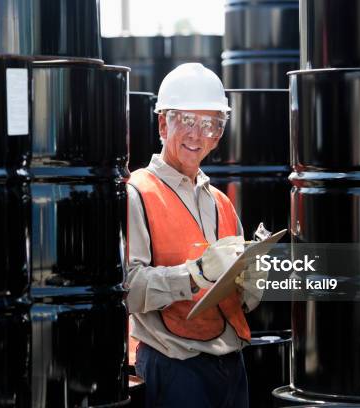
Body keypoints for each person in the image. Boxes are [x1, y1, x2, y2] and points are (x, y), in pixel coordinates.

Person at [126, 63, 259, 408]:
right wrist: (193, 275)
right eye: (186, 120)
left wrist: (251, 282)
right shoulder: (137, 193)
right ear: (162, 123)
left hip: (231, 367)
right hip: (175, 369)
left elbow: (235, 295)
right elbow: (127, 288)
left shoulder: (221, 203)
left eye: (211, 124)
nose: (197, 135)